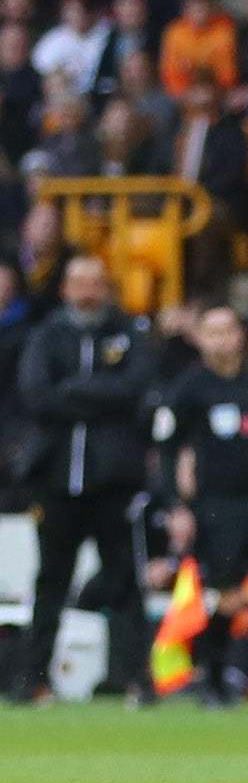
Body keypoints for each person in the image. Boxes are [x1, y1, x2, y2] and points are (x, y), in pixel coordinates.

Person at [10, 256, 157, 702]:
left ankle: (138, 680)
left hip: (114, 483)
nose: (86, 291)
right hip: (56, 482)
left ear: (106, 287)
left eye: (94, 282)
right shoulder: (47, 335)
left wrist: (74, 388)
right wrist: (97, 393)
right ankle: (31, 679)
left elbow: (135, 389)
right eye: (78, 282)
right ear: (65, 289)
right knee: (51, 581)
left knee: (125, 581)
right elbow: (36, 394)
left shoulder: (129, 334)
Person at [152, 303, 248, 703]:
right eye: (211, 331)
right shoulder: (189, 387)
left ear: (240, 335)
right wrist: (176, 505)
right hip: (217, 504)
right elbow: (166, 449)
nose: (220, 339)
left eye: (227, 330)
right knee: (227, 597)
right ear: (199, 338)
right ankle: (213, 680)